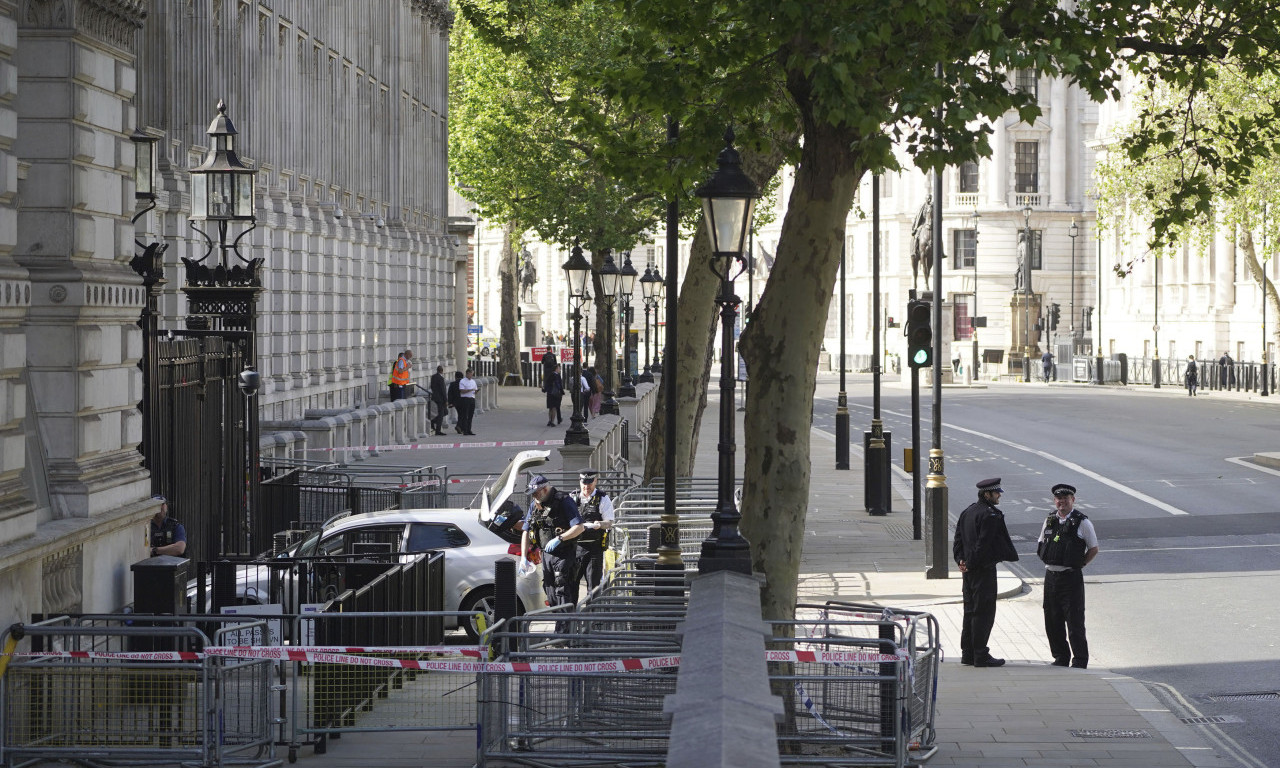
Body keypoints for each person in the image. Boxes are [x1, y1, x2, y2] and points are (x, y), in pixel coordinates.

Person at [953, 477, 1020, 667]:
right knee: (984, 612)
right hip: (982, 570)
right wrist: (972, 564)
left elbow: (958, 540)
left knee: (970, 610)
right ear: (987, 494)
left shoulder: (968, 511)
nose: (999, 495)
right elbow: (983, 545)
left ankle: (968, 653)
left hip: (969, 571)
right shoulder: (990, 515)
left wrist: (961, 562)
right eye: (997, 492)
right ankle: (980, 654)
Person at [1036, 483, 1099, 668]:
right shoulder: (1049, 520)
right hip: (1051, 577)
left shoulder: (1083, 522)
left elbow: (1093, 548)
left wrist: (1080, 564)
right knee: (1052, 619)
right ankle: (1060, 657)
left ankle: (1079, 660)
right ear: (1054, 501)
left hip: (1071, 578)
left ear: (1073, 500)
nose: (1061, 502)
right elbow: (1041, 543)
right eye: (1058, 499)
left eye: (1065, 499)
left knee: (1074, 621)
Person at [520, 475, 584, 610]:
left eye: (536, 493)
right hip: (546, 555)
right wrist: (523, 557)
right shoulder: (535, 504)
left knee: (563, 591)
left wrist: (560, 538)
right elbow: (526, 530)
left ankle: (565, 628)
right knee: (550, 592)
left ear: (545, 489)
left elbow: (579, 527)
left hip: (564, 554)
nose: (534, 497)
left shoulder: (564, 501)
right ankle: (560, 624)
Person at [571, 469, 615, 593]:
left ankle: (592, 611)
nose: (587, 486)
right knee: (572, 583)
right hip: (575, 547)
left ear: (596, 481)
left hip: (594, 548)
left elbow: (609, 523)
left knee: (593, 586)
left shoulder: (602, 498)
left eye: (590, 483)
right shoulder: (572, 498)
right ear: (580, 482)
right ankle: (572, 611)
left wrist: (599, 524)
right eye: (584, 483)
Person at [543, 361, 565, 426]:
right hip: (555, 393)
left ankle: (549, 420)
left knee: (550, 407)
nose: (559, 370)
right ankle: (552, 421)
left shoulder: (550, 375)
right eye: (559, 368)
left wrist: (544, 390)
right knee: (554, 408)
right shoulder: (557, 376)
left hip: (549, 393)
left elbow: (547, 384)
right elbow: (559, 385)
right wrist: (562, 391)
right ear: (556, 369)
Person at [458, 367, 479, 435]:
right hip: (465, 399)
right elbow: (462, 391)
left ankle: (469, 429)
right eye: (470, 374)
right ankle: (465, 430)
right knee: (465, 415)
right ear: (467, 374)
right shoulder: (462, 381)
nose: (471, 376)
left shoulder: (473, 381)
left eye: (472, 374)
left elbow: (475, 390)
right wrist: (469, 390)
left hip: (472, 398)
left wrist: (476, 391)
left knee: (470, 415)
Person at [429, 365, 448, 435]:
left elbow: (431, 386)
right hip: (441, 399)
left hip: (435, 397)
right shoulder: (441, 378)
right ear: (442, 371)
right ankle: (437, 429)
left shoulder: (433, 377)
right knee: (441, 414)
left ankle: (433, 422)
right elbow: (443, 390)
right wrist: (446, 400)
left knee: (444, 412)